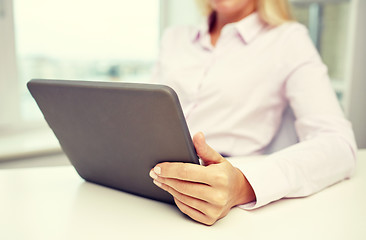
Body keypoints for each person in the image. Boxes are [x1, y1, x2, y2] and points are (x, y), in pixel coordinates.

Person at [148, 0, 357, 225]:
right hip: (153, 186)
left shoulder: (288, 40)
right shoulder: (175, 38)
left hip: (221, 205)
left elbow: (338, 143)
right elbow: (147, 114)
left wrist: (243, 185)